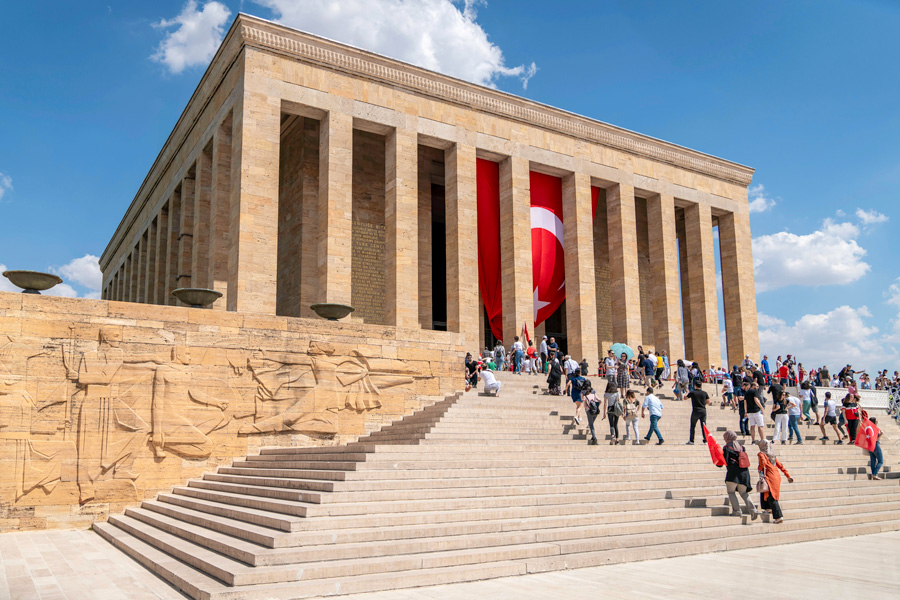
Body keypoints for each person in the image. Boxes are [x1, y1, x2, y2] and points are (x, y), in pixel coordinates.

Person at [722, 431, 759, 519]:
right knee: (744, 493)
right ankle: (753, 510)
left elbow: (724, 461)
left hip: (733, 474)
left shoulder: (727, 448)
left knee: (731, 493)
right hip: (744, 474)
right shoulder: (742, 447)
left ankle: (737, 511)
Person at [756, 439, 793, 524]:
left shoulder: (761, 454)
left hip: (769, 477)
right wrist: (787, 475)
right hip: (776, 476)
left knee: (772, 496)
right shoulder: (772, 455)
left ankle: (778, 517)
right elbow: (780, 466)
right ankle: (768, 509)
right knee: (765, 492)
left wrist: (759, 468)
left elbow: (763, 463)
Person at [602, 380, 621, 445]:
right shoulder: (617, 393)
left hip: (610, 409)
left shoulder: (606, 394)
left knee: (611, 424)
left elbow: (605, 404)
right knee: (616, 424)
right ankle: (617, 439)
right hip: (616, 408)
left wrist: (604, 413)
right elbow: (619, 402)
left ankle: (612, 436)